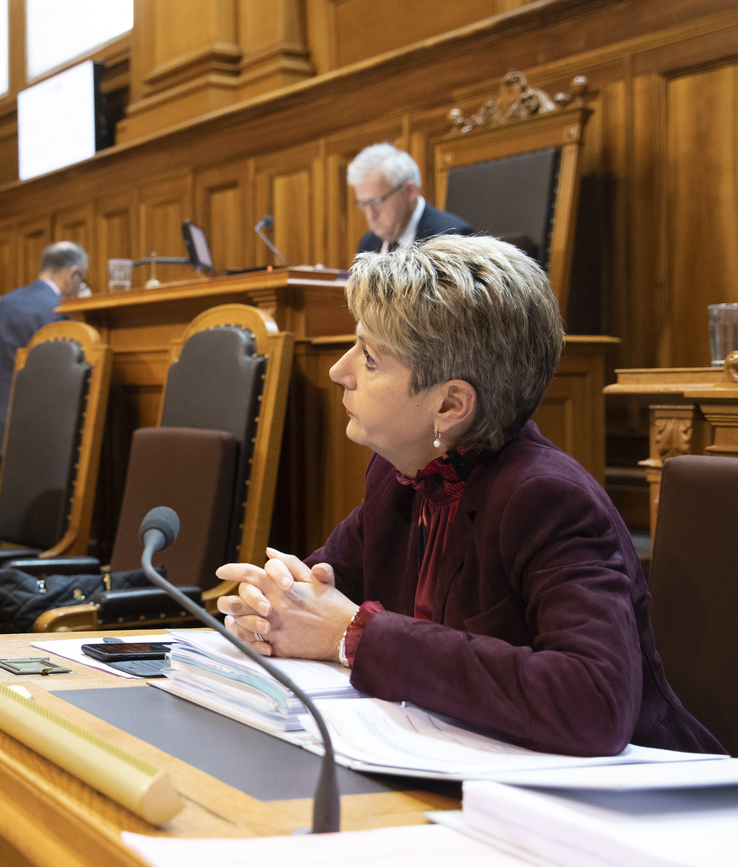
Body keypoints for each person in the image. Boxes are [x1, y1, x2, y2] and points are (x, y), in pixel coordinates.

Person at [217, 235, 722, 758]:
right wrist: (269, 605)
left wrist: (354, 633)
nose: (337, 371)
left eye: (368, 358)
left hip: (627, 808)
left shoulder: (546, 499)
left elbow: (593, 700)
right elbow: (313, 593)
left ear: (451, 404)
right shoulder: (400, 476)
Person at [0, 241, 86, 466]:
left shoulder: (5, 302)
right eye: (82, 279)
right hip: (36, 433)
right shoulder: (59, 310)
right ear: (72, 274)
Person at [348, 143, 472, 255]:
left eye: (376, 203)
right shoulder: (368, 243)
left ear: (409, 191)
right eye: (363, 205)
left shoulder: (452, 239)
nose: (371, 216)